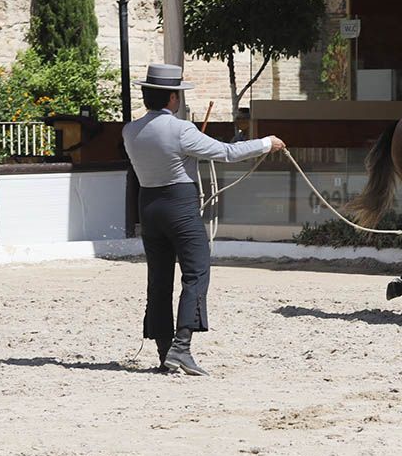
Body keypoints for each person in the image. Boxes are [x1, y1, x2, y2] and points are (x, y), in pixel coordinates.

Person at [122, 63, 285, 376]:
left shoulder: (131, 131)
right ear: (172, 98)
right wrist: (266, 143)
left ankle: (163, 351)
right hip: (179, 206)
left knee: (158, 280)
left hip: (149, 206)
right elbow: (225, 152)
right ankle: (181, 348)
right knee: (196, 273)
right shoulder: (182, 129)